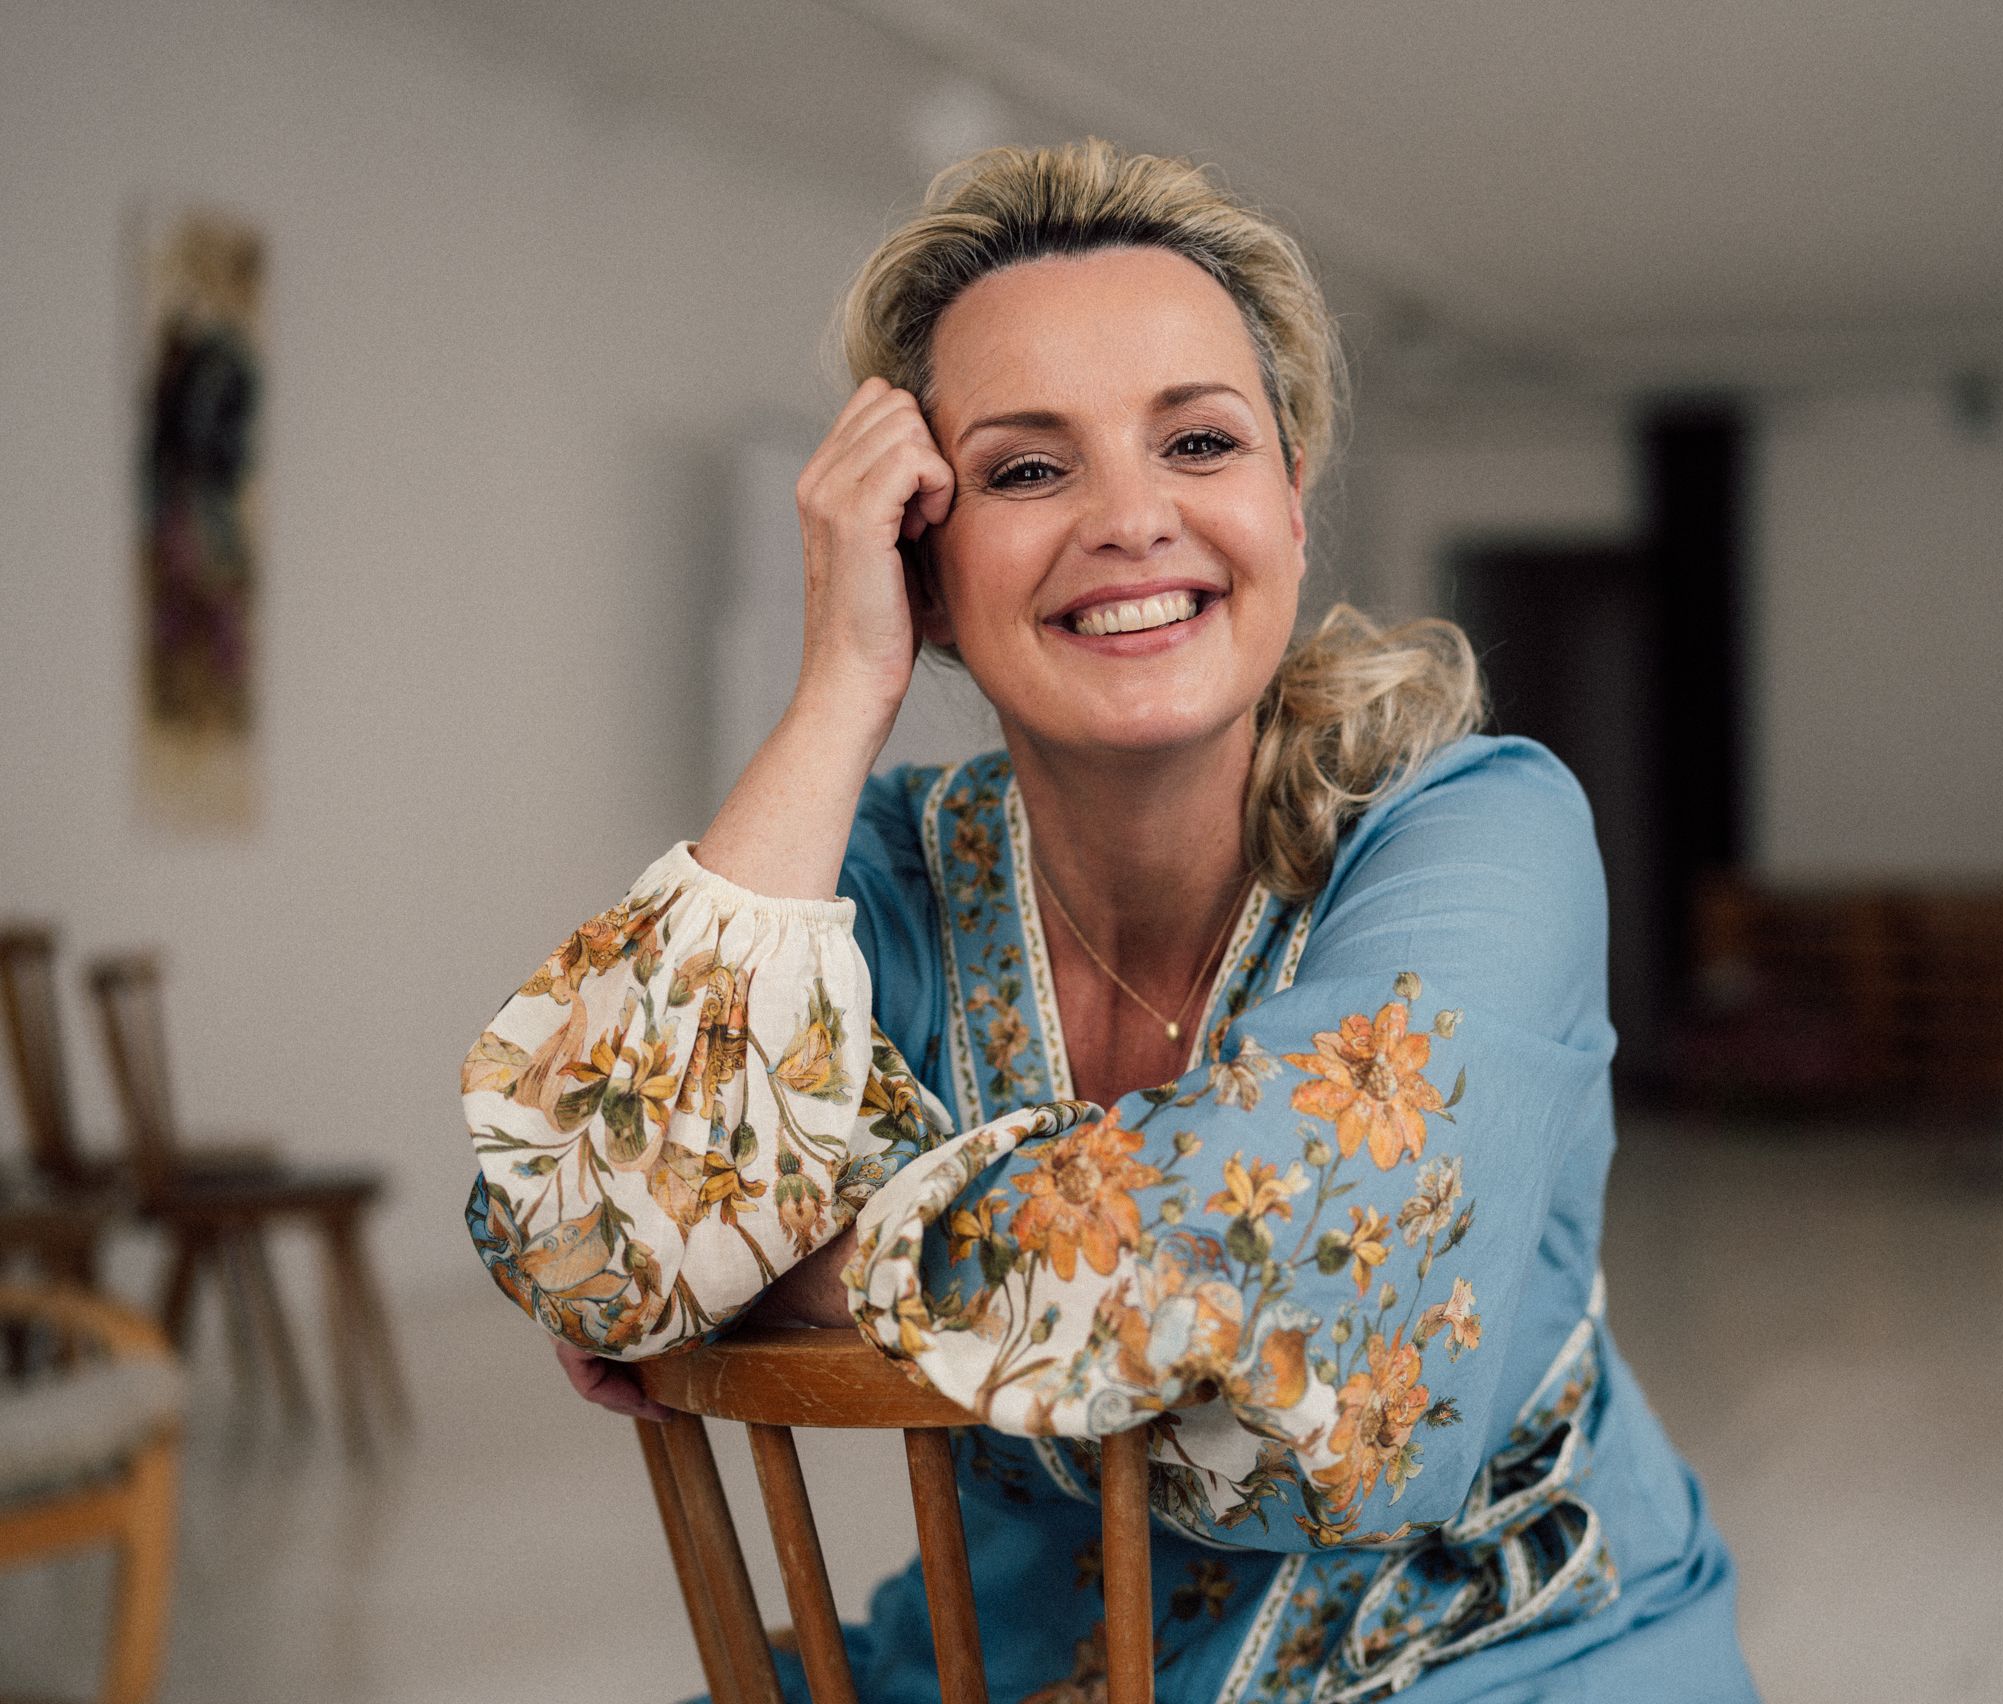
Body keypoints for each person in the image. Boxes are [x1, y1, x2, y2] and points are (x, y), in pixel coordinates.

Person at [461, 139, 1757, 1704]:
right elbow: (583, 1224)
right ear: (922, 555)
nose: (1133, 518)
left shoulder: (1483, 834)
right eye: (1026, 470)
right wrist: (840, 689)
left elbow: (1276, 1279)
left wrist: (784, 1251)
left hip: (1487, 1659)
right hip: (1021, 1662)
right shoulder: (887, 877)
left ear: (1291, 504)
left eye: (1199, 442)